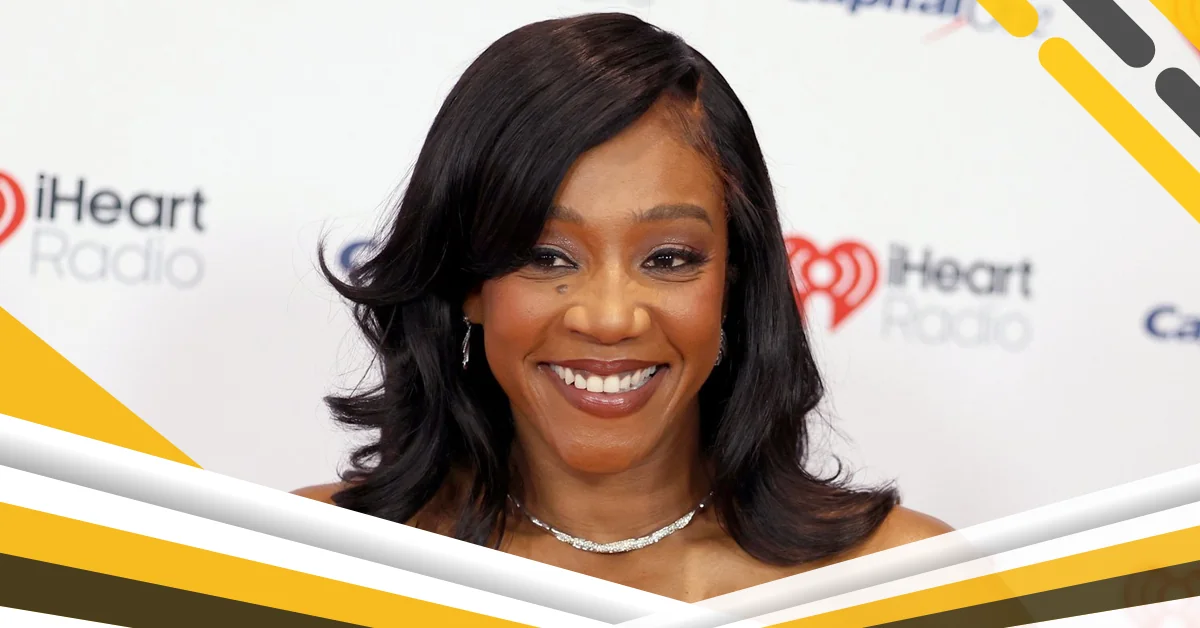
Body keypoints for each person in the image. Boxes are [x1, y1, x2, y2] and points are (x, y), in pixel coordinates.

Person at [295, 12, 950, 602]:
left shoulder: (898, 582)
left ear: (732, 282)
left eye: (668, 258)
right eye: (547, 256)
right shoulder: (312, 564)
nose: (609, 318)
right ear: (468, 283)